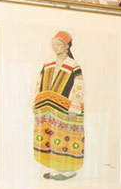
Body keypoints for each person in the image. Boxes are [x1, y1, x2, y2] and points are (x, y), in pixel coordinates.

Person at [33, 31, 84, 180]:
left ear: (66, 46)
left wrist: (74, 106)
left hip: (65, 107)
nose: (55, 47)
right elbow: (39, 81)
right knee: (52, 138)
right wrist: (36, 100)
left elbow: (79, 85)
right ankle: (56, 169)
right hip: (47, 107)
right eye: (53, 45)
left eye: (58, 44)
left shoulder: (73, 65)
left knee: (66, 137)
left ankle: (69, 171)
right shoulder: (47, 63)